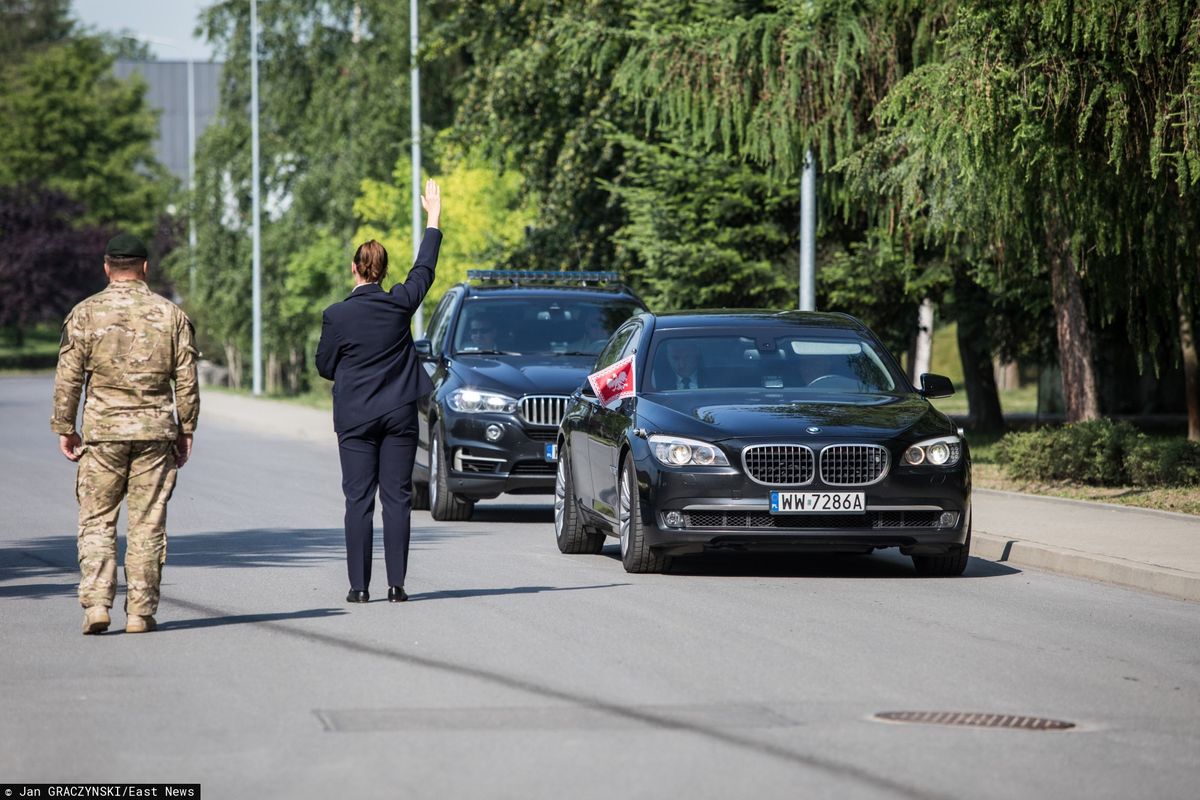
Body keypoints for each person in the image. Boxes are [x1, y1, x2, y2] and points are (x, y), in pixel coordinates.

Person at [51, 233, 200, 635]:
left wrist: (65, 427)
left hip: (102, 434)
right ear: (145, 268)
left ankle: (97, 604)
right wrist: (186, 429)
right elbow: (186, 379)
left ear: (107, 267)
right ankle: (139, 612)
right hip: (155, 432)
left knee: (97, 520)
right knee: (147, 523)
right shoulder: (170, 315)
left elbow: (68, 377)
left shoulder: (84, 313)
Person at [315, 178, 442, 604]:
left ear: (354, 269)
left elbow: (323, 366)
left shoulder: (337, 316)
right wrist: (433, 219)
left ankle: (358, 587)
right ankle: (397, 585)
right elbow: (424, 270)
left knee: (358, 501)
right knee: (398, 498)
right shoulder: (400, 303)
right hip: (400, 414)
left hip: (355, 416)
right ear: (384, 272)